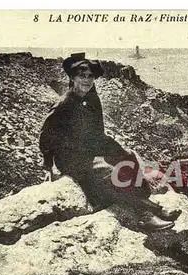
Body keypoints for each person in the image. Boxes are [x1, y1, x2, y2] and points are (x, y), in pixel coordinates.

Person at [39, 53, 180, 230]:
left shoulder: (92, 99)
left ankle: (146, 201)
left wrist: (118, 151)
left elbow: (98, 133)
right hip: (70, 158)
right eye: (82, 76)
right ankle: (146, 214)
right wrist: (48, 166)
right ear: (73, 78)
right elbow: (46, 135)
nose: (87, 80)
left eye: (90, 76)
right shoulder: (64, 104)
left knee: (129, 158)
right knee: (113, 173)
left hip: (91, 150)